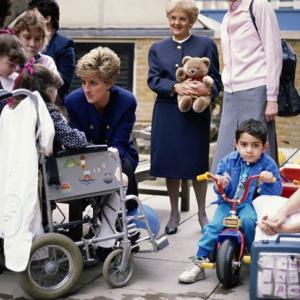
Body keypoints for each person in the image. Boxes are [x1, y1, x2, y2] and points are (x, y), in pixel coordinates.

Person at [147, 0, 222, 234]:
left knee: (196, 164)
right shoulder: (157, 48)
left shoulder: (206, 44)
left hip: (195, 116)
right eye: (173, 18)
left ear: (190, 21)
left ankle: (201, 212)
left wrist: (207, 90)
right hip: (168, 111)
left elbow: (217, 80)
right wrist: (175, 87)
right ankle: (174, 213)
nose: (177, 22)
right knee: (171, 165)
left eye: (182, 18)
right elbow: (153, 79)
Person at [178, 119, 282, 283]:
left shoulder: (268, 165)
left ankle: (250, 249)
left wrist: (269, 181)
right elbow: (219, 188)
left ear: (264, 147)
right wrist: (222, 184)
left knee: (249, 221)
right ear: (236, 144)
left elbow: (274, 195)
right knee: (213, 227)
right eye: (244, 144)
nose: (249, 150)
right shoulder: (228, 161)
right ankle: (199, 261)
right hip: (228, 203)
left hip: (249, 204)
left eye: (255, 145)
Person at [211, 0, 282, 173]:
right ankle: (228, 198)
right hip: (230, 93)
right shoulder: (228, 15)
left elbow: (274, 52)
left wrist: (272, 97)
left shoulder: (258, 6)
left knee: (257, 152)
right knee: (227, 154)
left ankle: (260, 197)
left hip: (256, 88)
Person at [65, 46, 139, 210]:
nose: (86, 89)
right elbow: (77, 143)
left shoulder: (126, 102)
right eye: (84, 82)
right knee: (76, 171)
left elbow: (119, 145)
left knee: (123, 168)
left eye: (93, 83)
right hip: (85, 154)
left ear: (109, 82)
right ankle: (77, 227)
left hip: (119, 153)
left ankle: (128, 218)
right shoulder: (73, 101)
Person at [2, 63, 87, 150]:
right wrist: (81, 136)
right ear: (49, 91)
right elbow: (73, 140)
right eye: (55, 90)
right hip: (37, 162)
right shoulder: (47, 112)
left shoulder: (8, 107)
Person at [28, 0, 75, 100]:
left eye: (34, 15)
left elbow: (63, 84)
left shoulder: (63, 45)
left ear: (47, 19)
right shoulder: (25, 41)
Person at [13, 11, 60, 78]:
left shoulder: (47, 62)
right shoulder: (6, 61)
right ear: (16, 37)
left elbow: (53, 86)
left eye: (37, 39)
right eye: (27, 38)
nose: (32, 44)